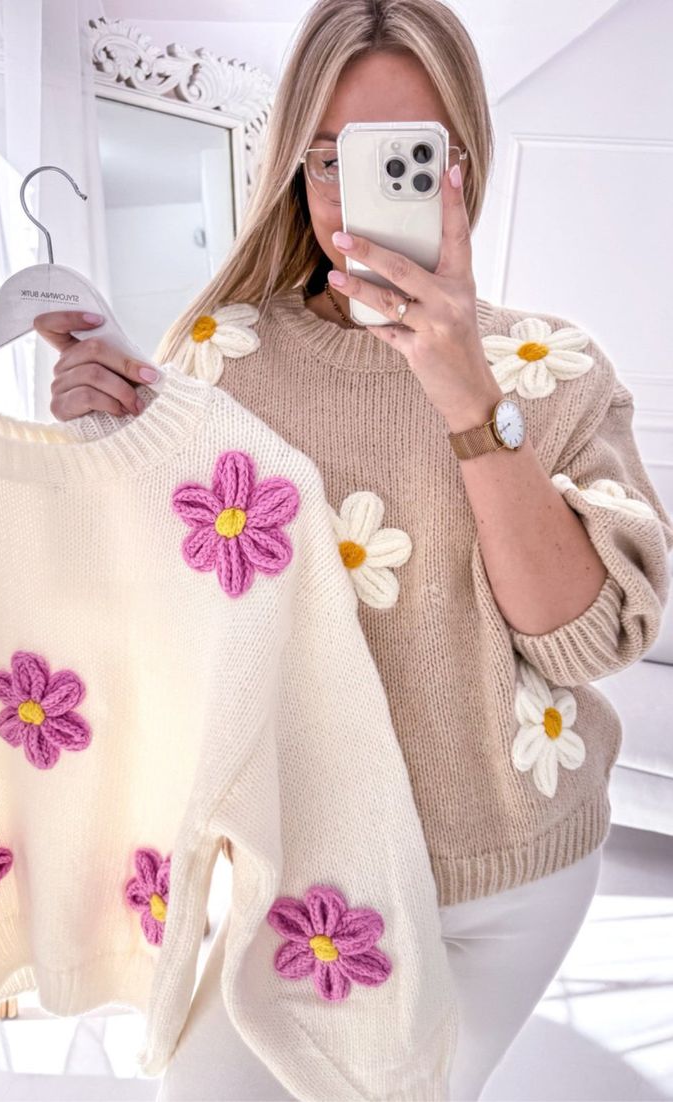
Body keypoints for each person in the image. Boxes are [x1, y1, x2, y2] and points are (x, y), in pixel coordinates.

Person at [35, 2, 673, 1098]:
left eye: (408, 160)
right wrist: (110, 444)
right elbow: (164, 618)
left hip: (505, 872)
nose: (358, 200)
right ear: (290, 166)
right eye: (332, 161)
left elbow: (588, 641)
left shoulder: (557, 370)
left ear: (464, 164)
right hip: (303, 870)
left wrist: (471, 391)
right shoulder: (223, 354)